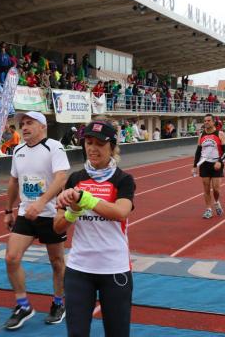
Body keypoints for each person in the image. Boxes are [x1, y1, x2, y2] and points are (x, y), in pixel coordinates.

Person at [54, 120, 136, 337]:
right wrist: (73, 211)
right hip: (79, 270)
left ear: (112, 147)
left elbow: (120, 212)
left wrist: (86, 200)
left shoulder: (123, 180)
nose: (92, 148)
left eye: (99, 144)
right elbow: (58, 226)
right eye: (88, 142)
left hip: (114, 269)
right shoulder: (75, 178)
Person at [3, 111, 70, 330]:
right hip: (25, 213)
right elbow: (14, 181)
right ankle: (23, 305)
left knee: (57, 262)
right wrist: (8, 210)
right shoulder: (18, 150)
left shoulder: (54, 147)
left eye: (29, 123)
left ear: (42, 126)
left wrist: (41, 202)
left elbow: (62, 177)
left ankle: (59, 303)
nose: (24, 127)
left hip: (50, 214)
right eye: (22, 124)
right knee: (12, 258)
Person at [193, 114, 225, 219]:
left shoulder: (220, 134)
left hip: (216, 164)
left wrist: (220, 161)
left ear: (213, 122)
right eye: (205, 121)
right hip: (204, 164)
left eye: (208, 120)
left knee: (216, 189)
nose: (206, 122)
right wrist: (195, 166)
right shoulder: (201, 135)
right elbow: (198, 152)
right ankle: (208, 209)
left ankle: (217, 202)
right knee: (206, 189)